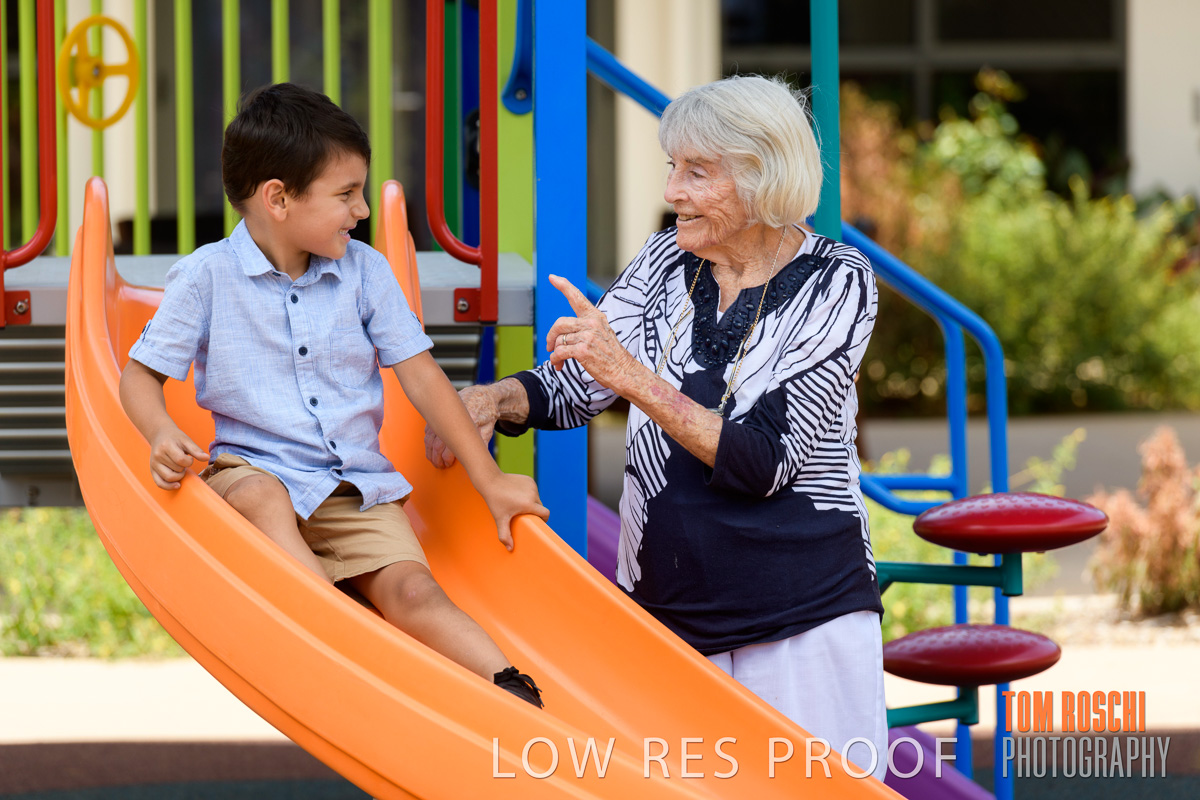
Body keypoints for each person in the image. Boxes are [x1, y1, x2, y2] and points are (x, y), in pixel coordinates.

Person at [426, 75, 887, 774]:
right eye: (673, 167)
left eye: (697, 172)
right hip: (666, 618)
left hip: (802, 619)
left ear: (763, 175)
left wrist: (632, 377)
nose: (672, 190)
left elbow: (765, 461)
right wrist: (494, 399)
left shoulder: (838, 280)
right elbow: (577, 385)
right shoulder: (665, 259)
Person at [119, 83, 547, 708]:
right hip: (252, 473)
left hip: (354, 487)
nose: (362, 209)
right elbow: (139, 376)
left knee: (414, 591)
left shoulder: (365, 272)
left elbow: (423, 376)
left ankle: (509, 687)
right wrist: (160, 431)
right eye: (346, 194)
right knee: (263, 496)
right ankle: (333, 628)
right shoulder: (207, 276)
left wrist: (490, 480)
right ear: (278, 198)